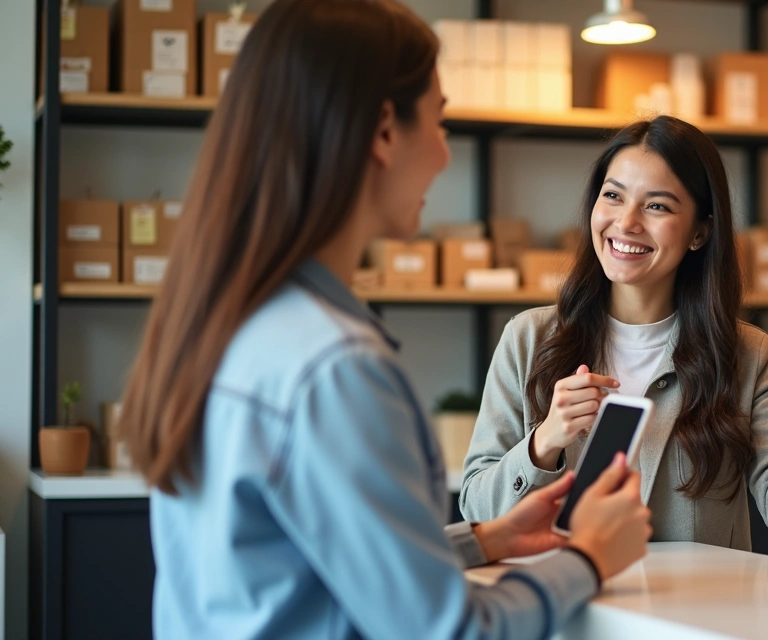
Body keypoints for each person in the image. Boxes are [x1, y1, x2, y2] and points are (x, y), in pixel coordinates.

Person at [115, 1, 651, 637]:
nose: (445, 154)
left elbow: (308, 564)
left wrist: (485, 539)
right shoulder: (335, 367)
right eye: (440, 121)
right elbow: (450, 631)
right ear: (384, 132)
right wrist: (587, 558)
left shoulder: (236, 322)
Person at [461, 115, 768, 551]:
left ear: (700, 231)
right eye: (613, 196)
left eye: (657, 206)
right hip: (561, 591)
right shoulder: (528, 339)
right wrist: (546, 439)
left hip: (696, 598)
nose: (626, 222)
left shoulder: (748, 354)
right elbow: (477, 510)